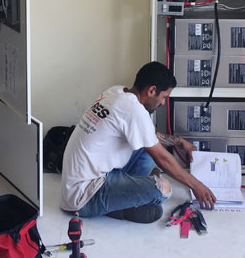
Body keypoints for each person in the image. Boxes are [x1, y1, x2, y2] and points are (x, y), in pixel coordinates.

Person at [60, 61, 216, 223]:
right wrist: (197, 185)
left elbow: (148, 135)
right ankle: (118, 206)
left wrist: (180, 142)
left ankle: (122, 198)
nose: (163, 103)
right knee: (163, 189)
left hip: (90, 178)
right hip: (84, 197)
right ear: (152, 90)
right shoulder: (133, 110)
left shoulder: (116, 92)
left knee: (148, 149)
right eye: (164, 97)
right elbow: (163, 159)